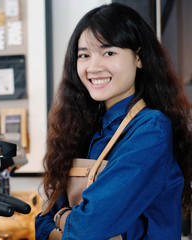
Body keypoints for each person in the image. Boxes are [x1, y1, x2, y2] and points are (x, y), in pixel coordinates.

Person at [35, 3, 192, 240]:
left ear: (138, 58)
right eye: (84, 55)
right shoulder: (83, 127)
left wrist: (61, 219)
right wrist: (65, 221)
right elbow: (41, 223)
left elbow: (87, 230)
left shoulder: (150, 130)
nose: (94, 67)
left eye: (109, 53)